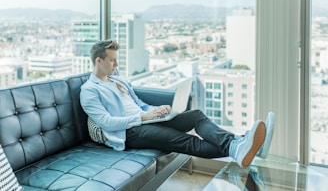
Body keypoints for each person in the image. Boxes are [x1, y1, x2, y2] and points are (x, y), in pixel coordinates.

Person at [80, 40, 274, 168]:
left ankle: (240, 145)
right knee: (185, 140)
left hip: (146, 120)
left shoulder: (118, 80)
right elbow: (106, 122)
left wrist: (155, 110)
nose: (116, 64)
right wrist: (142, 117)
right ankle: (245, 145)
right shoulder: (89, 90)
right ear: (99, 60)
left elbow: (138, 103)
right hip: (130, 132)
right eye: (112, 60)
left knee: (196, 116)